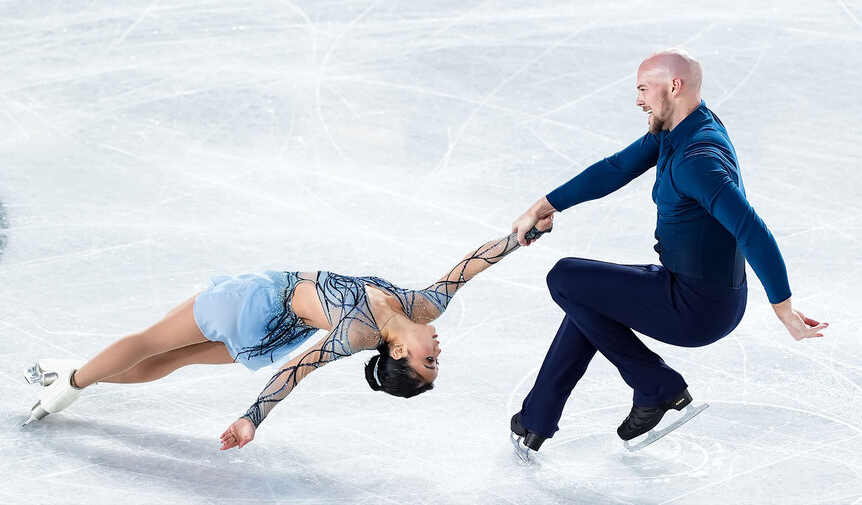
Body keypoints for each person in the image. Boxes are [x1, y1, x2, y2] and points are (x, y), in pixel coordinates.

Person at [508, 49, 828, 456]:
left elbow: (753, 231)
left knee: (565, 277)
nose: (638, 100)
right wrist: (542, 207)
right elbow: (616, 168)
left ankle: (659, 387)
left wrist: (785, 311)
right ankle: (535, 421)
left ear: (673, 87)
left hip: (696, 308)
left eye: (643, 89)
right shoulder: (684, 126)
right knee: (587, 297)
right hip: (687, 288)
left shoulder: (698, 160)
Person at [25, 220, 553, 449]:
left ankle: (71, 380)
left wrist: (251, 418)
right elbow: (468, 267)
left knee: (149, 342)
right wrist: (517, 238)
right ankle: (85, 372)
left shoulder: (358, 332)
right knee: (171, 360)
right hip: (273, 329)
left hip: (257, 302)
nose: (438, 351)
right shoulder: (422, 306)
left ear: (397, 351)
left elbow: (296, 373)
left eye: (428, 361)